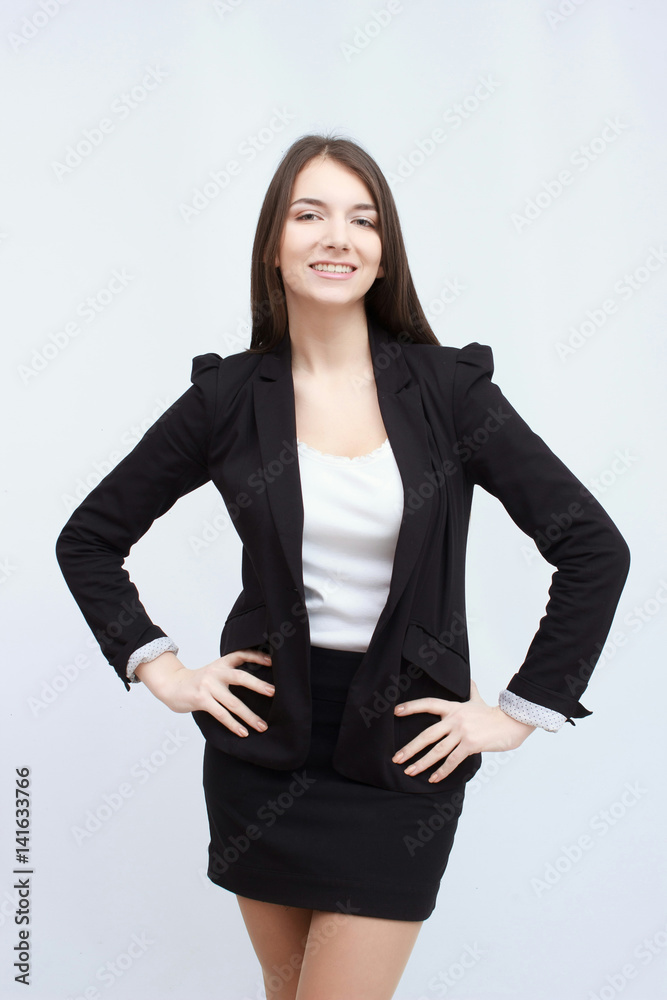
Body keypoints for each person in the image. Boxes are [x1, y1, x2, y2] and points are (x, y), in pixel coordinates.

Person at [56, 133, 631, 1000]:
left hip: (402, 753)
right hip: (261, 748)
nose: (338, 237)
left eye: (363, 220)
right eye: (310, 214)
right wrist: (161, 667)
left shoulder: (448, 392)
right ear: (272, 244)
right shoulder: (226, 398)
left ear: (383, 251)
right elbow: (90, 537)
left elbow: (592, 547)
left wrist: (521, 711)